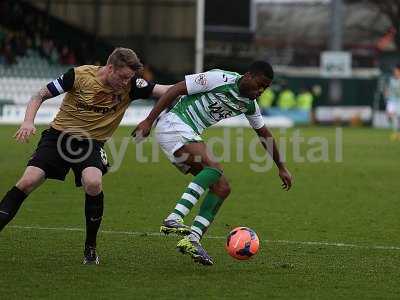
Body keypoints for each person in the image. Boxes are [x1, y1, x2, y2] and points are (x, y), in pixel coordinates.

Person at [0, 47, 171, 264]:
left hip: (90, 143)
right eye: (122, 77)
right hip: (58, 138)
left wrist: (200, 84)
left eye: (129, 78)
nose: (125, 82)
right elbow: (40, 94)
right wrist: (27, 121)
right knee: (27, 181)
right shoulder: (79, 75)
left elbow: (167, 90)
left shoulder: (132, 85)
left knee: (93, 183)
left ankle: (90, 248)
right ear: (110, 68)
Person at [133, 61, 293, 266]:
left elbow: (265, 135)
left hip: (186, 133)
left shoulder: (249, 104)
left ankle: (192, 239)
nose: (260, 91)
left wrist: (281, 167)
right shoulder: (219, 78)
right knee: (214, 168)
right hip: (174, 124)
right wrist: (148, 120)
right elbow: (176, 89)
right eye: (259, 84)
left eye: (266, 88)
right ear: (248, 75)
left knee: (222, 187)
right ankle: (174, 218)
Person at [384, 64, 400, 141]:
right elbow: (388, 88)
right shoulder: (391, 79)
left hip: (399, 101)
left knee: (396, 117)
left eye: (396, 71)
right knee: (390, 115)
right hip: (391, 100)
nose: (395, 72)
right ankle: (396, 132)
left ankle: (396, 133)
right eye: (394, 71)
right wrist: (386, 92)